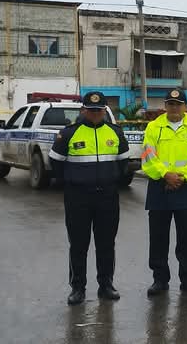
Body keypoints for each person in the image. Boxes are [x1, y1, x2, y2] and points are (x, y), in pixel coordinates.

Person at [49, 91, 130, 306]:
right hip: (78, 198)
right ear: (83, 110)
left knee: (106, 244)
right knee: (78, 245)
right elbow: (56, 162)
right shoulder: (69, 133)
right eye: (91, 110)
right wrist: (74, 181)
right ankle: (78, 288)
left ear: (104, 110)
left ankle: (106, 285)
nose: (95, 113)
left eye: (99, 110)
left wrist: (110, 179)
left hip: (107, 197)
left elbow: (123, 162)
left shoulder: (115, 132)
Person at [141, 89, 187, 296]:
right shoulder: (153, 127)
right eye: (170, 104)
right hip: (159, 187)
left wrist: (181, 177)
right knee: (158, 237)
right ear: (165, 106)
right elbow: (148, 156)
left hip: (186, 187)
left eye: (178, 104)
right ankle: (159, 279)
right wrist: (165, 175)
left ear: (185, 106)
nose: (174, 108)